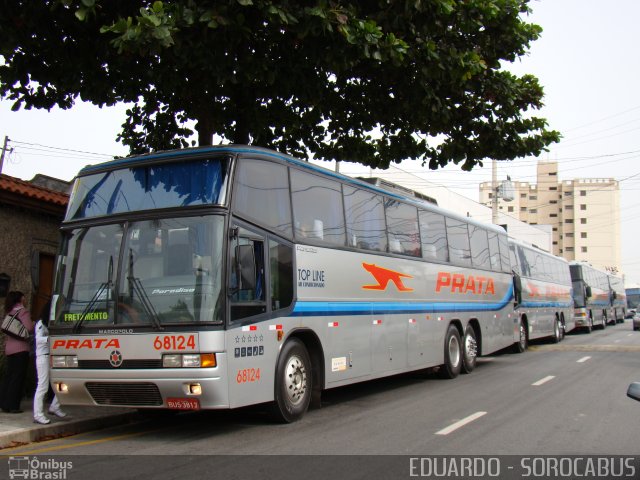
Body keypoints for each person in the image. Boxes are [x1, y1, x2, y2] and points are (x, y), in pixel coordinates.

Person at [0, 291, 35, 413]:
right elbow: (29, 328)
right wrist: (34, 324)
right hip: (21, 348)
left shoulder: (10, 311)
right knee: (18, 377)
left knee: (9, 376)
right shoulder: (23, 311)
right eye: (24, 297)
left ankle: (4, 403)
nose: (25, 299)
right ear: (20, 299)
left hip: (10, 349)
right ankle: (13, 405)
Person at [33, 299, 66, 424]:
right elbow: (38, 339)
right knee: (42, 386)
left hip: (52, 356)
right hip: (43, 357)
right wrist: (51, 339)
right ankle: (38, 414)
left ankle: (55, 406)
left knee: (62, 383)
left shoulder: (52, 323)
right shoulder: (41, 323)